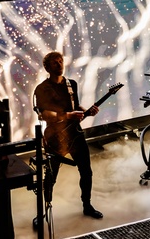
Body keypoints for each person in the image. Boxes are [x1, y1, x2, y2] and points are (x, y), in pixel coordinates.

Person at [34, 51, 103, 219]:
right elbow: (43, 115)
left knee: (86, 172)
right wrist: (67, 116)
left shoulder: (71, 84)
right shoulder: (42, 89)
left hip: (75, 134)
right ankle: (43, 212)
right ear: (47, 67)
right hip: (54, 137)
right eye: (55, 62)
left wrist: (87, 111)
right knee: (51, 176)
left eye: (60, 61)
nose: (59, 65)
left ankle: (87, 205)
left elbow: (75, 106)